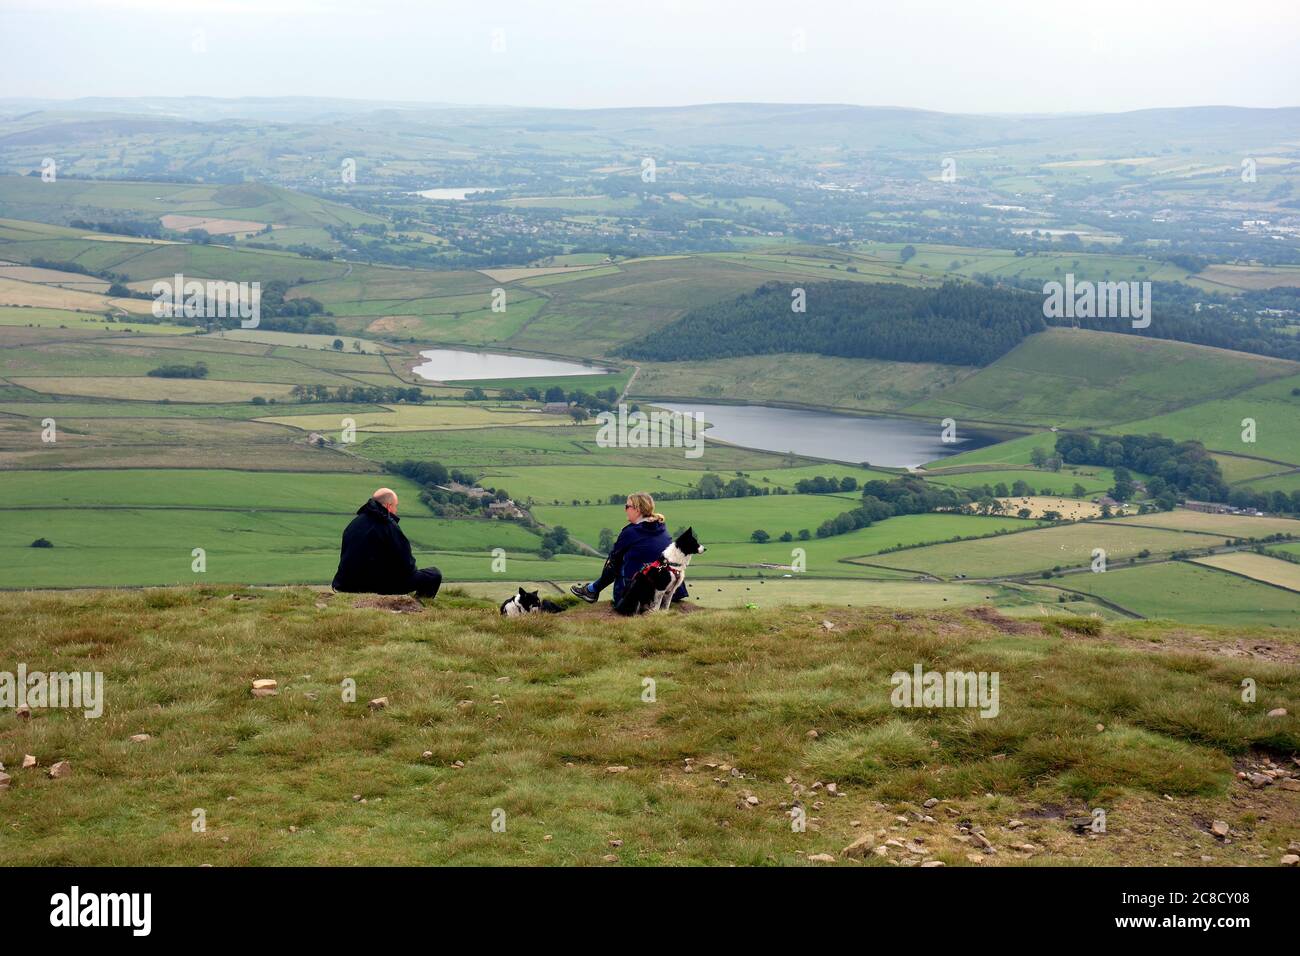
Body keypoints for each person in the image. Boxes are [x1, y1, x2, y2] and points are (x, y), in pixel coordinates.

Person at [570, 491, 686, 607]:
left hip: (637, 599)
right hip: (670, 594)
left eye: (627, 506)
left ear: (637, 509)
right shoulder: (662, 529)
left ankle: (592, 590)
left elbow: (614, 561)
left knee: (615, 560)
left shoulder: (631, 532)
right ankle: (592, 590)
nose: (625, 510)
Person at [332, 487, 442, 598]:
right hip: (378, 586)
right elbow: (407, 565)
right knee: (433, 575)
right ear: (389, 506)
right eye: (396, 506)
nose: (396, 510)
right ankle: (417, 606)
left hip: (347, 584)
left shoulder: (354, 524)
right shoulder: (388, 526)